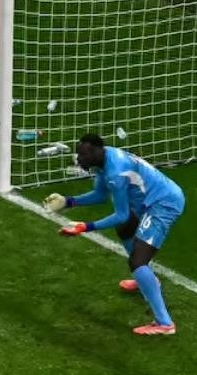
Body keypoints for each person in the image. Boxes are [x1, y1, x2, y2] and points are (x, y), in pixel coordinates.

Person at [44, 134, 186, 335]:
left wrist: (85, 227)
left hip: (163, 203)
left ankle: (165, 324)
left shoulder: (115, 172)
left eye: (83, 155)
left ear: (96, 151)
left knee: (137, 261)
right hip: (147, 200)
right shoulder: (105, 159)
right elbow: (100, 195)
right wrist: (69, 202)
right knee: (125, 228)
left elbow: (121, 214)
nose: (79, 159)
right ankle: (146, 280)